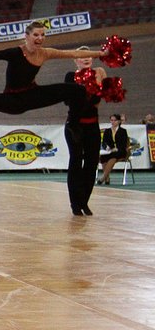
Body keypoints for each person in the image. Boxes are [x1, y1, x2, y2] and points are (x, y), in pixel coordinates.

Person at [0, 21, 108, 115]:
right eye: (36, 35)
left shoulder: (45, 53)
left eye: (43, 35)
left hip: (33, 94)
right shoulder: (15, 52)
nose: (40, 38)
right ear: (27, 36)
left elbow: (72, 53)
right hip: (12, 100)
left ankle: (76, 123)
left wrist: (101, 53)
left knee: (74, 89)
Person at [63, 47, 105, 215]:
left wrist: (101, 83)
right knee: (75, 161)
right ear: (76, 60)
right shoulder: (70, 76)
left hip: (92, 125)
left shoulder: (99, 73)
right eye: (82, 56)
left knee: (91, 163)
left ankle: (84, 202)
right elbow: (68, 101)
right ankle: (75, 203)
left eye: (89, 56)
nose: (86, 59)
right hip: (74, 126)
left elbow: (99, 100)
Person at [97, 113, 129, 185]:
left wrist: (116, 149)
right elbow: (104, 142)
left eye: (115, 120)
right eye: (111, 120)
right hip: (110, 151)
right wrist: (108, 148)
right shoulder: (107, 131)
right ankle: (107, 178)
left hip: (120, 151)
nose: (113, 122)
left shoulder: (123, 131)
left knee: (113, 157)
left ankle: (103, 177)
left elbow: (124, 143)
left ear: (119, 121)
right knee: (103, 157)